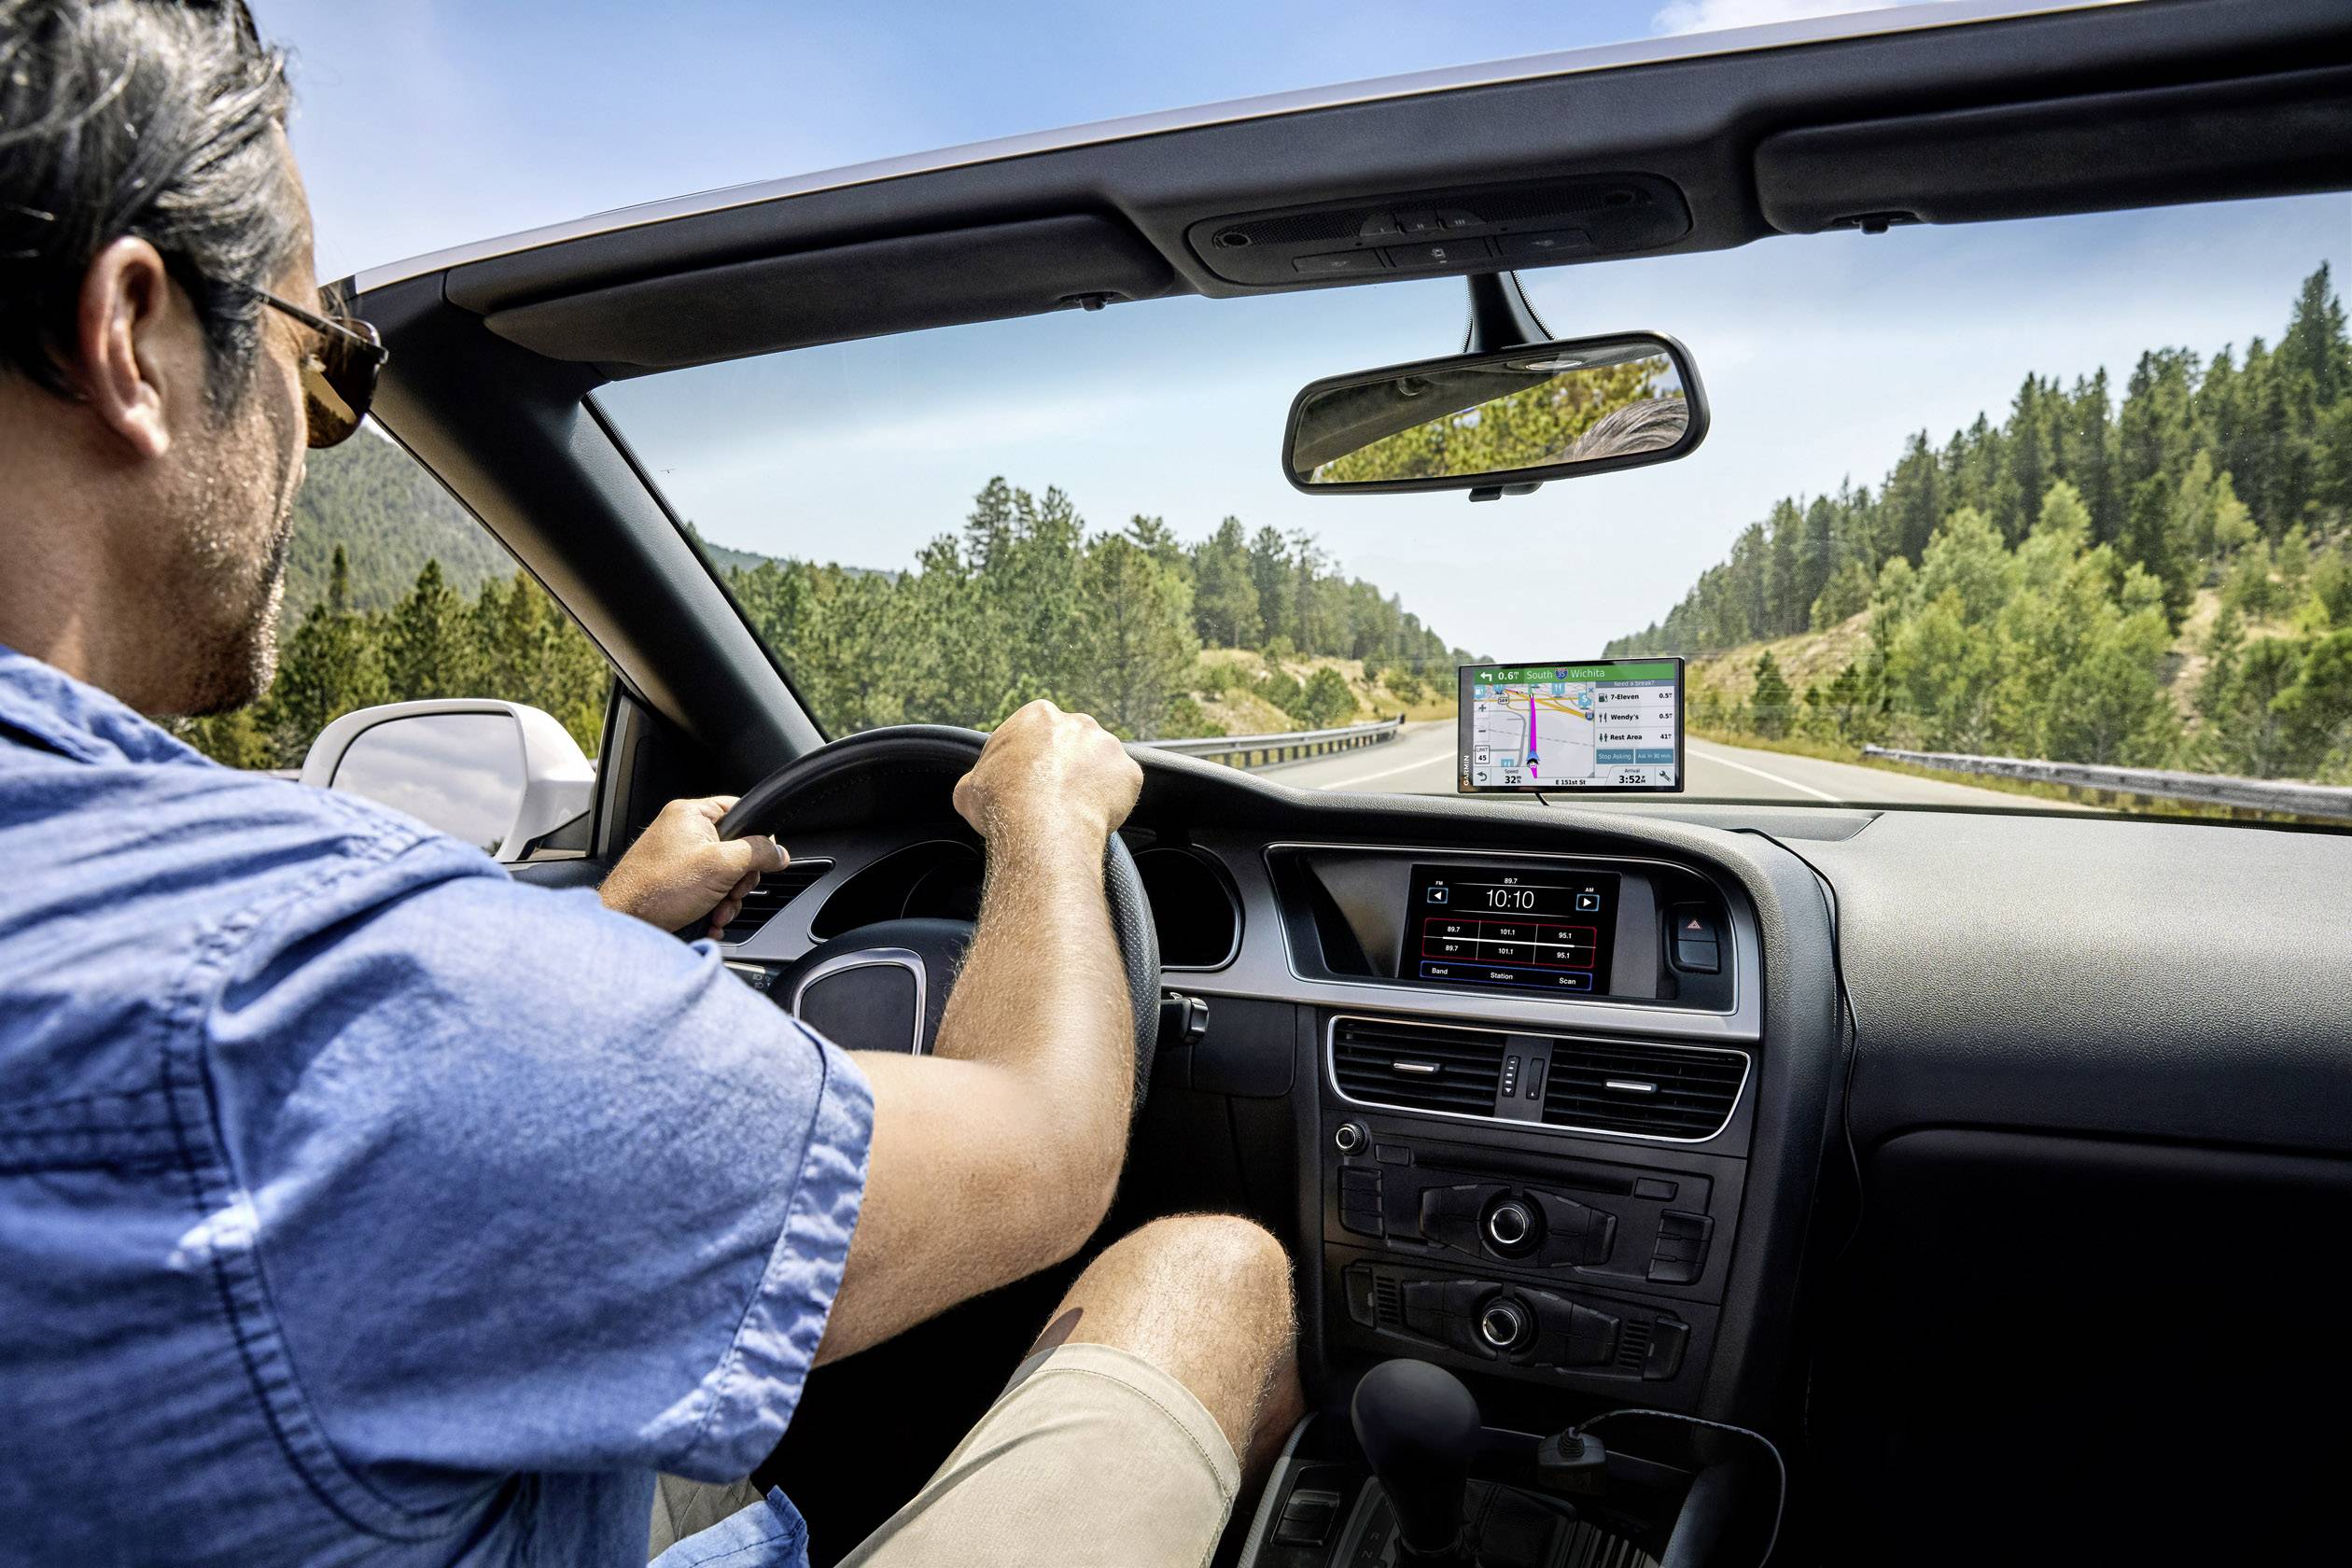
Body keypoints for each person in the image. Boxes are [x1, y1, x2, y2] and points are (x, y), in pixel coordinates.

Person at [0, 5, 1300, 1566]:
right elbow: (1043, 1146)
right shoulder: (307, 986)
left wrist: (603, 927)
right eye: (321, 370)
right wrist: (1047, 817)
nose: (307, 433)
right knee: (1215, 1272)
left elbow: (448, 1091)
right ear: (135, 335)